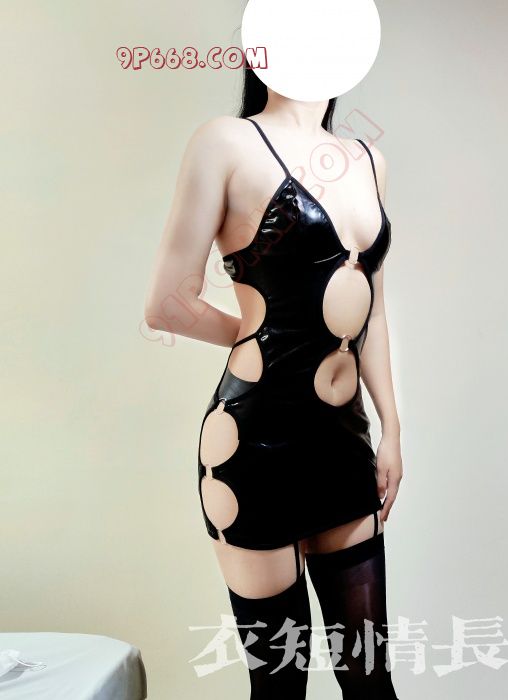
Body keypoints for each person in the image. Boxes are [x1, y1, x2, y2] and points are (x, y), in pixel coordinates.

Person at [144, 69, 403, 699]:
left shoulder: (367, 160)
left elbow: (372, 311)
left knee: (370, 681)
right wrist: (258, 334)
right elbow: (166, 305)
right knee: (282, 687)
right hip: (254, 442)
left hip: (343, 439)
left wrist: (391, 428)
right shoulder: (226, 142)